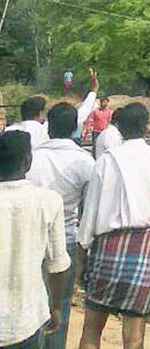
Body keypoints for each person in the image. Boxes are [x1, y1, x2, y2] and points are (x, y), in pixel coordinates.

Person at [76, 102, 150, 349]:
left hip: (106, 252)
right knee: (134, 337)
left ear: (119, 129)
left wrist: (82, 257)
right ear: (147, 128)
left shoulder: (105, 161)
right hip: (142, 252)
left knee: (91, 330)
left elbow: (89, 212)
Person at [27, 104, 95, 349]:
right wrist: (85, 250)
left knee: (31, 302)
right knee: (60, 304)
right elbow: (89, 211)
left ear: (48, 126)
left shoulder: (32, 157)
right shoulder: (85, 162)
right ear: (75, 127)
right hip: (66, 240)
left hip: (31, 239)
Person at [0, 130, 71, 349]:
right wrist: (56, 306)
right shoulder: (48, 201)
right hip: (26, 319)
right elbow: (58, 265)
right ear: (28, 161)